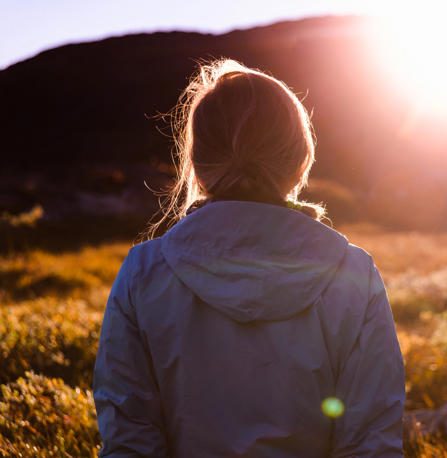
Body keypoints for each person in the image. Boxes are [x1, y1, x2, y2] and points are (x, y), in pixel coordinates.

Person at [92, 59, 405, 457]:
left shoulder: (142, 272)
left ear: (200, 169)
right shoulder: (353, 273)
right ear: (298, 163)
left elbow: (129, 438)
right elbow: (371, 441)